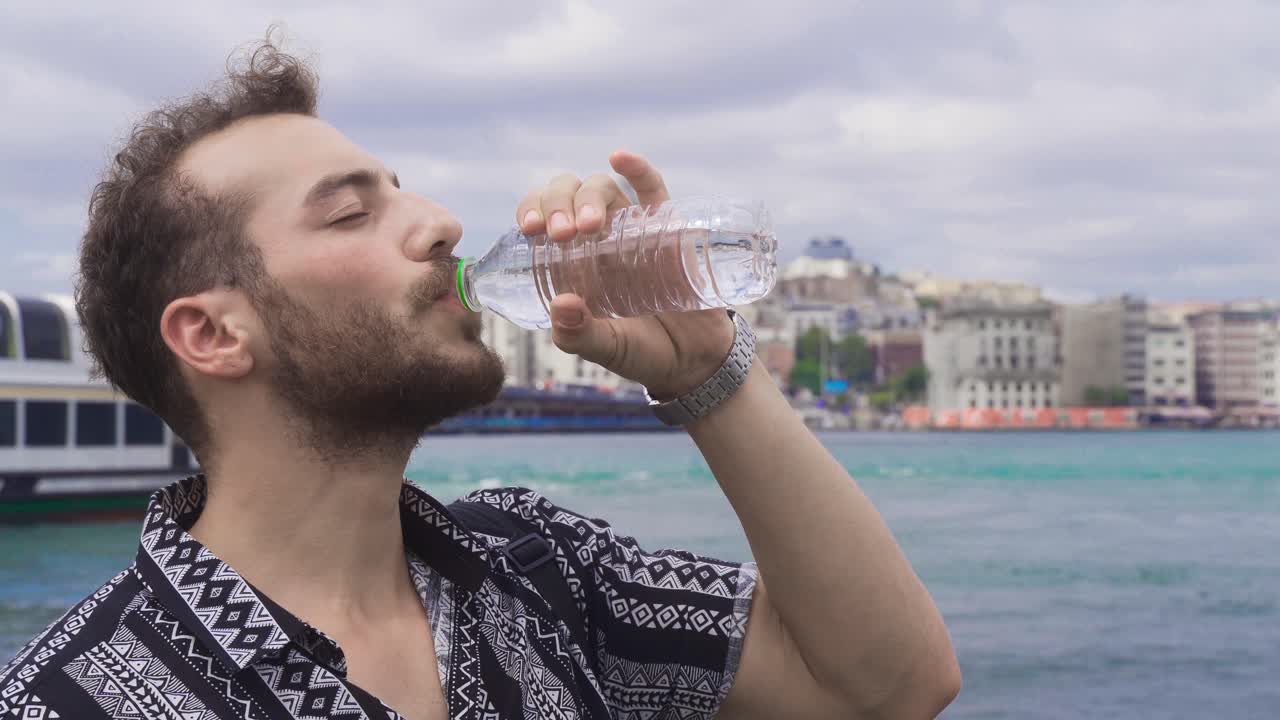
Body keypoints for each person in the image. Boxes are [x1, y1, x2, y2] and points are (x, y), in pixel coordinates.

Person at [0, 34, 959, 720]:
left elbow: (887, 688)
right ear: (212, 333)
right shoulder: (69, 698)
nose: (441, 222)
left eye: (403, 191)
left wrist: (709, 369)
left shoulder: (542, 566)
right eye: (348, 216)